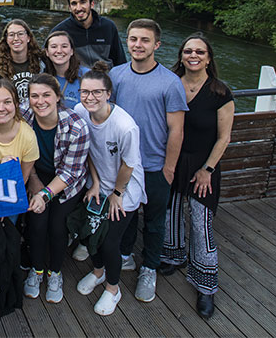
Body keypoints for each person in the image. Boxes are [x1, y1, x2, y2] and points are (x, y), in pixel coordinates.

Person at [110, 19, 187, 303]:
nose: (137, 45)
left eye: (144, 40)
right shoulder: (117, 75)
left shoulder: (169, 82)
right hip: (125, 165)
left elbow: (176, 129)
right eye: (133, 39)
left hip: (155, 165)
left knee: (155, 221)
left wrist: (169, 168)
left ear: (156, 45)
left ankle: (150, 268)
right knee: (126, 216)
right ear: (127, 41)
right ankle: (125, 255)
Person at [160, 34, 234, 319]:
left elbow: (224, 137)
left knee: (201, 224)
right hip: (173, 160)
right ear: (180, 55)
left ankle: (206, 285)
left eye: (199, 52)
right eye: (188, 51)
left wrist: (208, 169)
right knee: (171, 212)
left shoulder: (219, 92)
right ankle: (174, 256)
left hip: (203, 166)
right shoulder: (170, 84)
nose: (193, 55)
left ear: (208, 58)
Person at [73, 62, 146, 316]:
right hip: (99, 183)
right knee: (91, 234)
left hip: (124, 189)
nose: (89, 97)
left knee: (109, 242)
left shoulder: (125, 126)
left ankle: (113, 289)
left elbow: (129, 163)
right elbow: (87, 150)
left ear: (108, 94)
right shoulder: (80, 112)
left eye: (96, 92)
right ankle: (97, 272)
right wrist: (94, 182)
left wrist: (116, 193)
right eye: (85, 92)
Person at [21, 74, 89, 304]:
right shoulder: (24, 116)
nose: (40, 101)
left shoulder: (76, 126)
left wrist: (44, 194)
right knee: (37, 223)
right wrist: (33, 180)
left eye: (46, 95)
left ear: (58, 97)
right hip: (37, 172)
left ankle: (56, 272)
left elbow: (70, 173)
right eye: (34, 96)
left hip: (67, 182)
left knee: (57, 226)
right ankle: (37, 269)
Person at [50, 0, 126, 68]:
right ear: (70, 8)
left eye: (83, 2)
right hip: (77, 79)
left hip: (106, 78)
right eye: (74, 4)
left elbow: (120, 61)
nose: (78, 8)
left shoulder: (108, 27)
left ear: (92, 4)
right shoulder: (61, 31)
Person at [0, 19, 45, 104]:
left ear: (28, 38)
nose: (16, 38)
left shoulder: (41, 60)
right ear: (6, 39)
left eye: (20, 34)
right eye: (11, 35)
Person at [42, 30, 90, 111]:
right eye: (54, 47)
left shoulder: (87, 76)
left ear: (71, 51)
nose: (59, 51)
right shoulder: (43, 77)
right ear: (47, 52)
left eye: (64, 46)